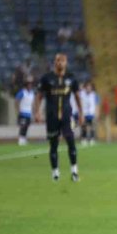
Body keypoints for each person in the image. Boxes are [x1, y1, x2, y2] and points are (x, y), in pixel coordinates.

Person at [33, 53, 82, 182]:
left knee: (71, 142)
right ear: (54, 63)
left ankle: (74, 171)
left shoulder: (71, 78)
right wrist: (37, 112)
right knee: (53, 145)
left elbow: (77, 96)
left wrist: (81, 113)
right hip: (52, 117)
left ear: (66, 63)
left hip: (68, 116)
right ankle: (55, 173)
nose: (60, 63)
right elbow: (39, 96)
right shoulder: (47, 78)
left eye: (62, 61)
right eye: (58, 60)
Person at [15, 78, 35, 146]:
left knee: (27, 126)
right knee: (23, 126)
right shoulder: (22, 92)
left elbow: (32, 103)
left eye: (31, 84)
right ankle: (21, 139)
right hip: (23, 112)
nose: (30, 86)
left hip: (29, 113)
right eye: (29, 84)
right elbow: (17, 100)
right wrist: (18, 110)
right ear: (26, 85)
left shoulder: (32, 93)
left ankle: (24, 138)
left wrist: (33, 111)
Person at [79, 81, 99, 146]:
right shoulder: (82, 94)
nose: (88, 88)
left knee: (92, 126)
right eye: (87, 87)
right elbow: (80, 103)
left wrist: (96, 113)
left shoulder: (94, 95)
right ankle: (84, 138)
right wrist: (81, 113)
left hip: (91, 113)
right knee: (84, 126)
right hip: (84, 113)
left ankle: (92, 138)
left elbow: (96, 105)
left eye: (90, 87)